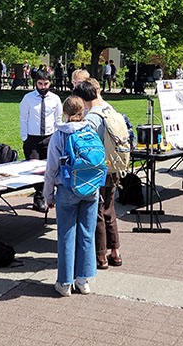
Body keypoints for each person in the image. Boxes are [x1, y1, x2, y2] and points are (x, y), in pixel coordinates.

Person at [43, 96, 99, 296]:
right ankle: (83, 280)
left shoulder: (59, 135)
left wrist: (48, 196)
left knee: (66, 235)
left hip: (67, 188)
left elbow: (51, 169)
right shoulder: (90, 131)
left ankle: (65, 283)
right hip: (91, 187)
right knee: (87, 234)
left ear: (64, 113)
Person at [72, 79, 124, 268]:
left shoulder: (92, 118)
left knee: (97, 212)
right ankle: (115, 252)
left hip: (98, 170)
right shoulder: (109, 109)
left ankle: (100, 256)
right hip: (114, 166)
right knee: (110, 209)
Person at [19, 70, 63, 212]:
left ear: (50, 83)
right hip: (32, 138)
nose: (43, 87)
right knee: (35, 169)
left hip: (50, 137)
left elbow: (58, 119)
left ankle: (47, 195)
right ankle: (39, 198)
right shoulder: (28, 98)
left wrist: (57, 137)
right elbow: (23, 118)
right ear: (35, 83)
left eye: (45, 84)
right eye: (40, 84)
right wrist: (25, 138)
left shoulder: (55, 99)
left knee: (49, 168)